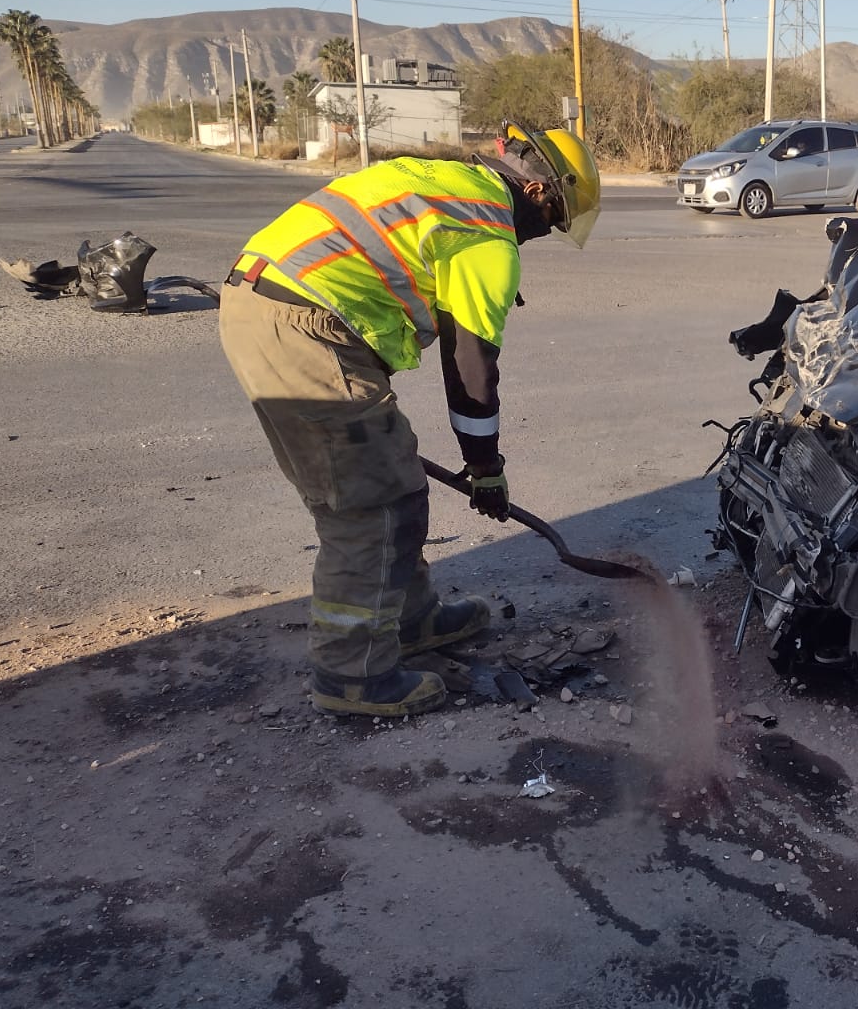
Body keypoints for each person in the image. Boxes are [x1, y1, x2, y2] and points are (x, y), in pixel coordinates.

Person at [218, 125, 600, 718]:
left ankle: (411, 620)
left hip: (275, 304)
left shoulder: (445, 182)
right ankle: (351, 676)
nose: (541, 235)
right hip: (303, 326)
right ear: (538, 191)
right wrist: (485, 468)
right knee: (370, 505)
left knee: (394, 480)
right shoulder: (485, 237)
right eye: (551, 221)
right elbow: (471, 367)